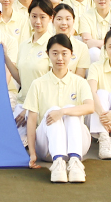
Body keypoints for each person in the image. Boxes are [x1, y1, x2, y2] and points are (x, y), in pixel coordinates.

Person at [26, 34, 93, 183]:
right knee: (53, 111)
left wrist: (63, 112)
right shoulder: (38, 84)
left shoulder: (80, 82)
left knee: (68, 110)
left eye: (64, 53)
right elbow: (31, 120)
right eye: (55, 53)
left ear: (71, 54)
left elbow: (90, 107)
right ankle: (58, 164)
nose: (60, 58)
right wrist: (32, 153)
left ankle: (75, 163)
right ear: (48, 54)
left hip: (76, 145)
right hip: (47, 149)